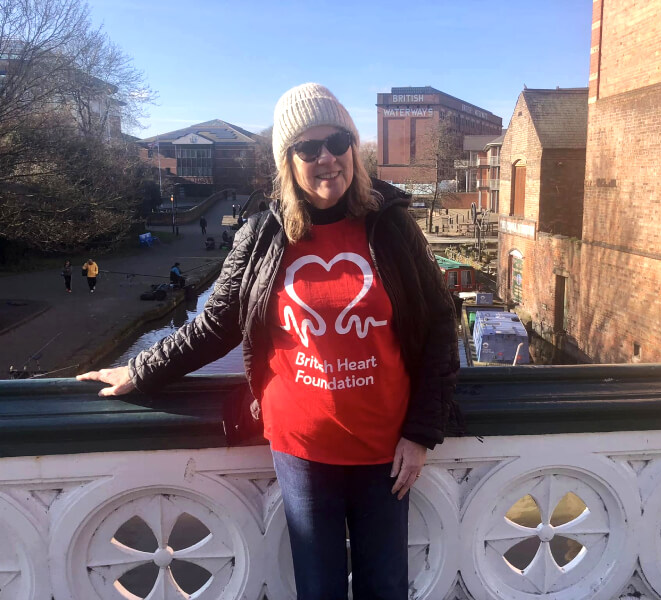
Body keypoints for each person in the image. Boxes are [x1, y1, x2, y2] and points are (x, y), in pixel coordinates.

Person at [76, 83, 460, 599]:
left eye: (337, 141)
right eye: (307, 147)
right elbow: (215, 326)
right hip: (302, 450)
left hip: (386, 448)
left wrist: (420, 432)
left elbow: (438, 323)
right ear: (289, 161)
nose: (326, 158)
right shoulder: (262, 234)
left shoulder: (391, 227)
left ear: (354, 149)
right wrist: (139, 370)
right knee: (318, 589)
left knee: (386, 587)